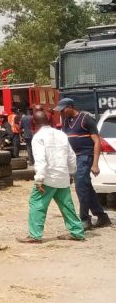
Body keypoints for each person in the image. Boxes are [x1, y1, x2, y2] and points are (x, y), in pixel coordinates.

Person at [17, 111, 85, 243]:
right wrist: (71, 172)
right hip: (62, 177)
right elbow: (71, 156)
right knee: (67, 206)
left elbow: (41, 160)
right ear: (49, 121)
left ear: (34, 123)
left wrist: (39, 179)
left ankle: (35, 235)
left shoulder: (38, 137)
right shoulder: (61, 134)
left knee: (37, 204)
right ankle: (77, 232)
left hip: (47, 178)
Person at [56, 98, 113, 230]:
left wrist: (95, 164)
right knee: (86, 187)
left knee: (81, 187)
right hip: (73, 158)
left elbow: (97, 141)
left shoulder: (86, 119)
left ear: (70, 107)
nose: (60, 113)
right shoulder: (65, 121)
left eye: (62, 110)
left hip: (85, 157)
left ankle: (85, 219)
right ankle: (102, 216)